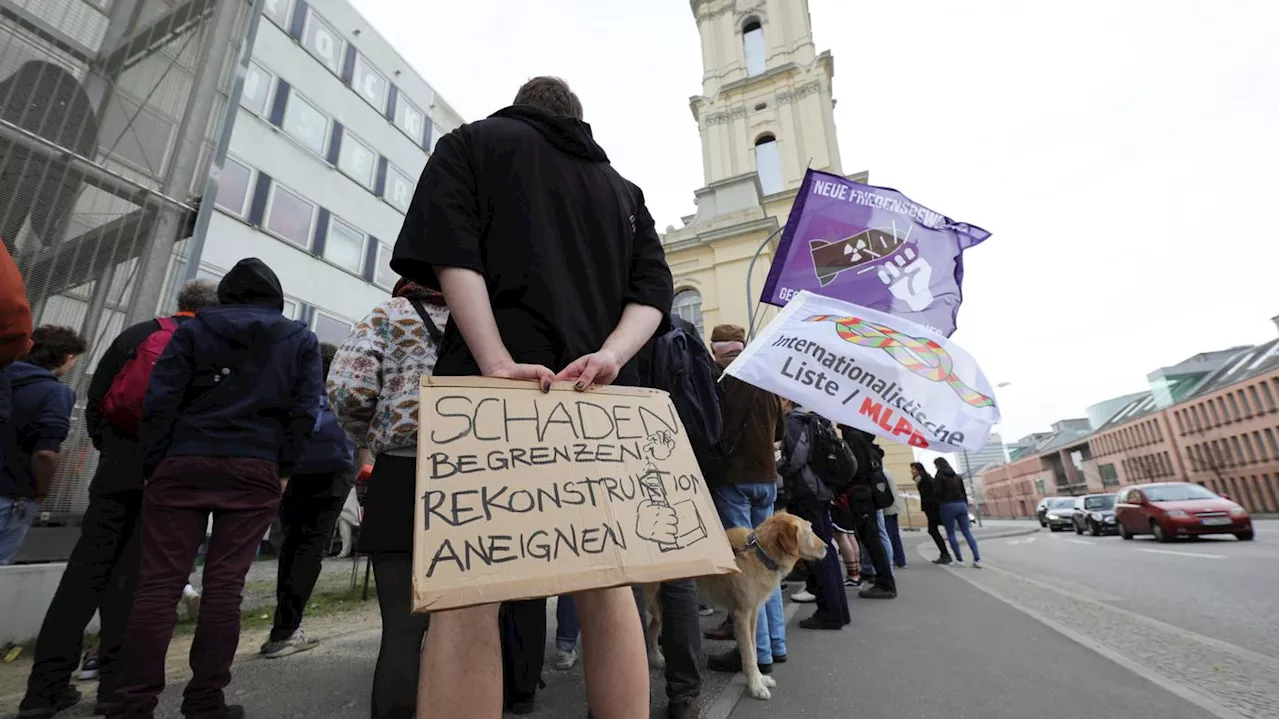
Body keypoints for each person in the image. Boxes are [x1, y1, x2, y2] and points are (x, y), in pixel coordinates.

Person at [391, 76, 672, 719]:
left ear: (521, 105)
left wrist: (493, 361)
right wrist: (609, 358)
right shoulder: (624, 192)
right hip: (596, 402)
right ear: (578, 119)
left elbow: (452, 255)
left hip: (490, 397)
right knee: (608, 585)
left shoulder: (471, 145)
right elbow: (653, 293)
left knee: (468, 593)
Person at [108, 258, 321, 719]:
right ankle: (205, 700)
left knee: (160, 584)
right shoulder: (298, 338)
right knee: (226, 585)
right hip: (255, 463)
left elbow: (161, 400)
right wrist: (284, 468)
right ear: (275, 298)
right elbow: (305, 411)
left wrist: (156, 461)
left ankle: (131, 703)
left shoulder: (192, 331)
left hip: (183, 459)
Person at [18, 281, 219, 718]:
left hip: (117, 467)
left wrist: (112, 449)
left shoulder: (137, 334)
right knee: (134, 580)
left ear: (181, 303)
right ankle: (113, 689)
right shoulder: (209, 347)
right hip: (166, 474)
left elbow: (97, 397)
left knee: (83, 576)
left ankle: (43, 690)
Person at [328, 277, 448, 718]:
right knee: (463, 628)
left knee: (400, 627)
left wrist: (371, 435)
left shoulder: (387, 316)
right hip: (474, 476)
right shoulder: (488, 322)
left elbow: (347, 390)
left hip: (401, 471)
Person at [261, 342, 355, 658]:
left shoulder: (292, 388)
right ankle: (286, 629)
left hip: (293, 470)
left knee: (291, 544)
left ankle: (281, 628)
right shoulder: (342, 389)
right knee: (311, 548)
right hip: (332, 473)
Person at [703, 324, 787, 673]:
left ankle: (758, 654)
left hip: (734, 480)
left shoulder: (719, 381)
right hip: (766, 478)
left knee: (747, 571)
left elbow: (710, 428)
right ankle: (777, 644)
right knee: (769, 565)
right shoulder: (765, 376)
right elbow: (779, 431)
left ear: (717, 350)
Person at [0, 326, 84, 565]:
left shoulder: (4, 376)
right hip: (11, 495)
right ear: (67, 358)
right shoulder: (55, 394)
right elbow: (46, 454)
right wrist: (41, 491)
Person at [777, 403, 850, 630]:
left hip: (806, 492)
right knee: (825, 549)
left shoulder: (794, 420)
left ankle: (828, 613)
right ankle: (838, 611)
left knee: (817, 552)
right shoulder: (816, 418)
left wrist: (779, 465)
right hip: (820, 491)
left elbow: (797, 458)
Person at [837, 428, 897, 599]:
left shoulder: (854, 438)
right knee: (871, 538)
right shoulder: (865, 440)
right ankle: (883, 579)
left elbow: (854, 468)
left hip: (861, 496)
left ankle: (886, 583)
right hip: (866, 494)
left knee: (872, 539)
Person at [934, 458, 981, 568]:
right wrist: (964, 504)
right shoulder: (957, 477)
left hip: (948, 506)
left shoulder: (939, 477)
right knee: (967, 533)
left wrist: (939, 503)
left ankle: (959, 560)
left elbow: (937, 493)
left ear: (937, 465)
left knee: (951, 533)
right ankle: (977, 559)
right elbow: (963, 492)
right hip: (961, 505)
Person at [912, 462, 952, 564]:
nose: (912, 471)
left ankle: (946, 555)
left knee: (933, 530)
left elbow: (931, 493)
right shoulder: (924, 478)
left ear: (919, 470)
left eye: (914, 469)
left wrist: (927, 503)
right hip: (932, 507)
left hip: (932, 508)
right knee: (935, 530)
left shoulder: (923, 479)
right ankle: (945, 554)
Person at [883, 468, 907, 568]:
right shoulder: (887, 471)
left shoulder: (881, 472)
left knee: (888, 536)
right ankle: (900, 561)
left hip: (887, 508)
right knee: (895, 535)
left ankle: (892, 560)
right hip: (893, 507)